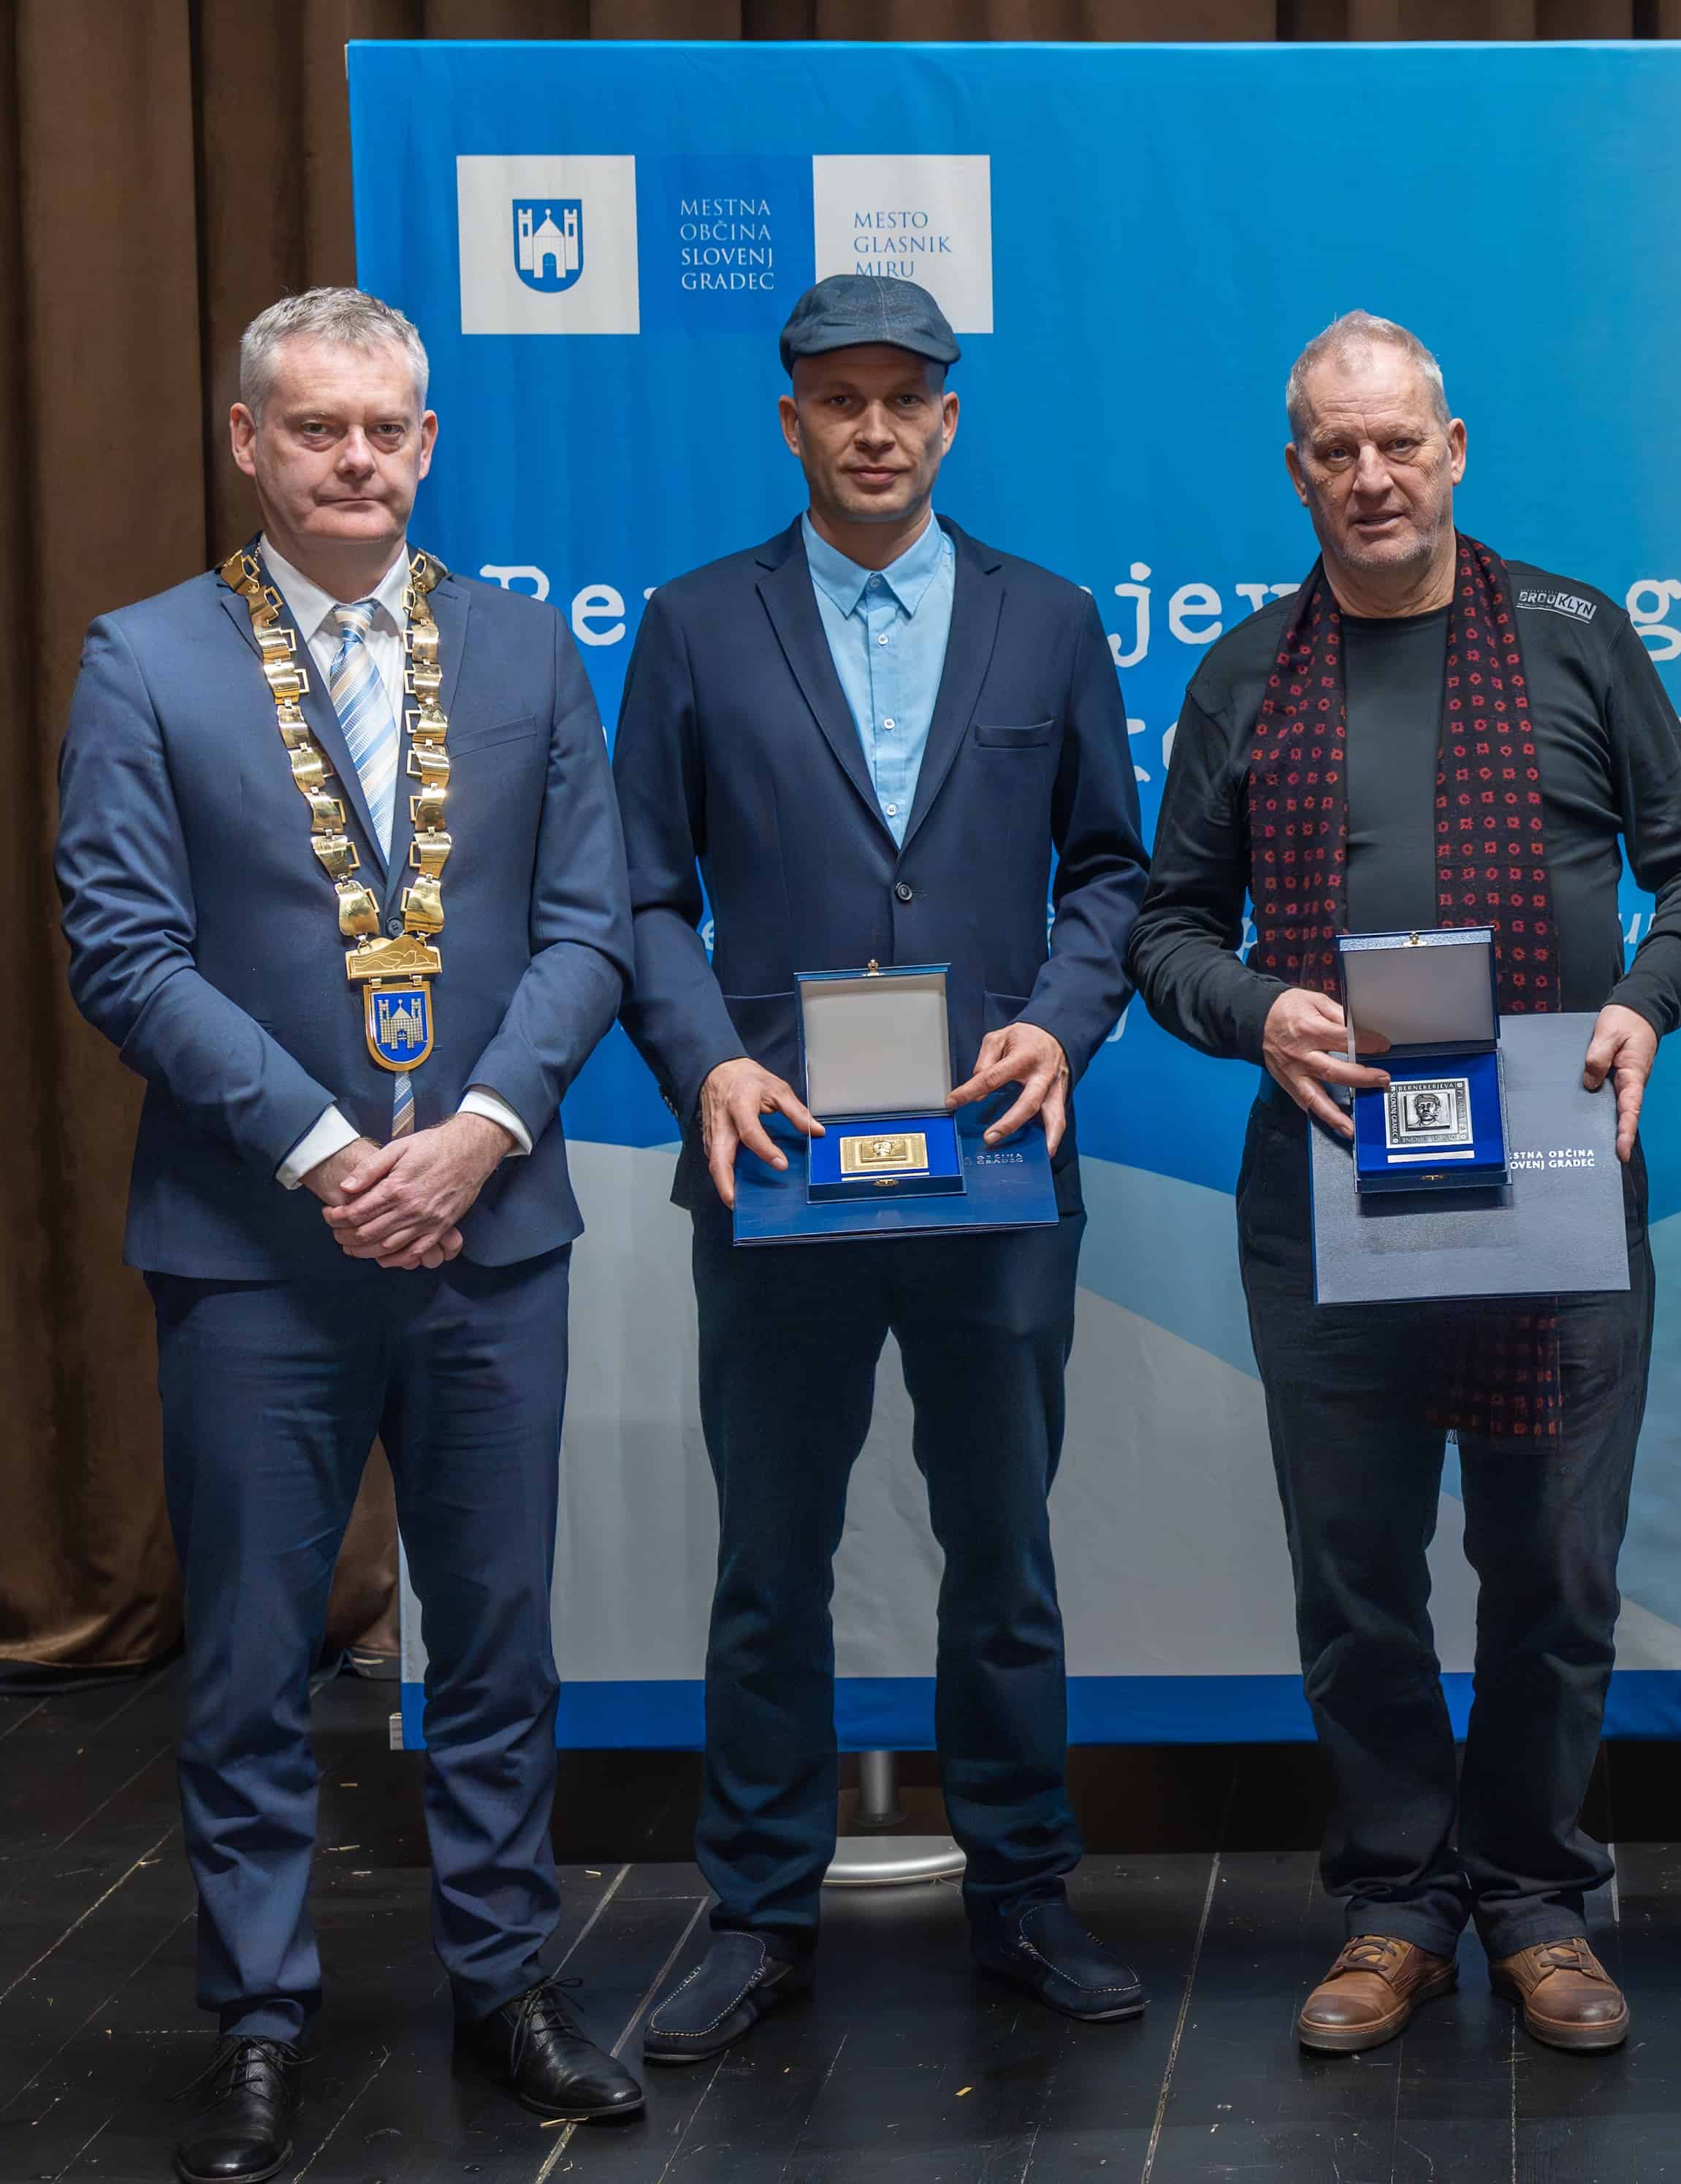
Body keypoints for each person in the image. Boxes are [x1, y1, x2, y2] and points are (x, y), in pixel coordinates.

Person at [54, 288, 644, 2180]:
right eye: (320, 430)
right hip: (254, 1250)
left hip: (490, 1228)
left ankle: (505, 1974)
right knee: (244, 1652)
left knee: (495, 1638)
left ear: (430, 439)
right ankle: (256, 2009)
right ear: (248, 442)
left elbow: (590, 928)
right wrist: (327, 1151)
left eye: (391, 426)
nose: (360, 460)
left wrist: (473, 1134)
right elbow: (124, 951)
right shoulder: (144, 664)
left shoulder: (528, 651)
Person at [1124, 312, 1681, 2056]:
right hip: (1328, 1182)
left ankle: (1540, 1896)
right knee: (1359, 1575)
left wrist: (1641, 1001)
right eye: (1337, 449)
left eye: (1399, 441)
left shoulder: (1572, 636)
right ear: (1296, 471)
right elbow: (1165, 928)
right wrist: (1257, 1010)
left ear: (1455, 447)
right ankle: (1396, 1900)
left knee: (1553, 1566)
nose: (1372, 475)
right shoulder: (1246, 674)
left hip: (1554, 1171)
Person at [612, 275, 1152, 2057]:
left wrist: (1061, 1030)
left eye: (902, 399)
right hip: (778, 1166)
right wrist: (705, 1067)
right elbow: (635, 897)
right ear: (789, 420)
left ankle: (1025, 1893)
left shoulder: (1050, 619)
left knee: (1003, 1549)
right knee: (773, 1554)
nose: (871, 428)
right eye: (836, 398)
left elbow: (1109, 875)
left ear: (948, 418)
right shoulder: (695, 627)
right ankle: (759, 1909)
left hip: (996, 1162)